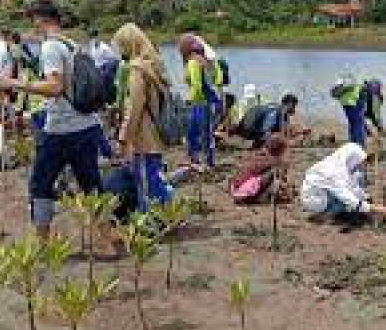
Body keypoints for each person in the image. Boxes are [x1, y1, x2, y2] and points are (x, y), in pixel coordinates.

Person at [0, 0, 104, 239]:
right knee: (92, 186)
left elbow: (55, 87)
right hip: (87, 123)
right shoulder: (72, 44)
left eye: (32, 20)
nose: (32, 26)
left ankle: (43, 247)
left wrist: (13, 83)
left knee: (40, 185)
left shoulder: (50, 47)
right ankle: (114, 241)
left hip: (61, 129)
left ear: (39, 19)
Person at [112, 23, 174, 211]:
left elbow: (134, 108)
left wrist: (123, 138)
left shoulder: (137, 69)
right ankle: (166, 215)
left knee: (146, 182)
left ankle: (151, 222)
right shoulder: (154, 65)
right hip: (156, 131)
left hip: (144, 134)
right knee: (155, 176)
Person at [301, 143, 386, 220]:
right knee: (346, 203)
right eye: (359, 162)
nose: (360, 165)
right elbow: (349, 198)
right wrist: (377, 209)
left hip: (321, 192)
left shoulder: (341, 165)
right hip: (314, 200)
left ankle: (330, 212)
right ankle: (324, 216)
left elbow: (353, 186)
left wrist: (367, 198)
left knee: (355, 194)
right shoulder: (333, 172)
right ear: (352, 159)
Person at [178, 33, 221, 169]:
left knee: (193, 133)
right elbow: (216, 80)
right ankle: (209, 162)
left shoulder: (192, 63)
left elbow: (196, 85)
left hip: (199, 103)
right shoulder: (206, 63)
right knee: (206, 134)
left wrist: (189, 100)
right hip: (209, 101)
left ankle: (196, 160)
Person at [232, 93, 310, 149]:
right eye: (294, 106)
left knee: (282, 134)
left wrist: (301, 132)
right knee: (278, 139)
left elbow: (285, 129)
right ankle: (258, 144)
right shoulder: (275, 112)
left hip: (250, 129)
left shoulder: (280, 110)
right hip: (247, 131)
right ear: (289, 104)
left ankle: (259, 143)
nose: (294, 109)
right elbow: (266, 129)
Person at [229, 136, 289, 204]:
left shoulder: (257, 154)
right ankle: (263, 198)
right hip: (243, 194)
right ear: (279, 150)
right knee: (276, 171)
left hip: (235, 190)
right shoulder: (270, 160)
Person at [331, 77, 383, 147]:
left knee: (354, 123)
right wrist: (378, 126)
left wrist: (373, 127)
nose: (374, 91)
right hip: (352, 103)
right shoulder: (363, 91)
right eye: (375, 89)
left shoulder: (359, 87)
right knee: (358, 123)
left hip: (346, 103)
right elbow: (372, 113)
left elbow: (370, 113)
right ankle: (359, 144)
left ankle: (353, 142)